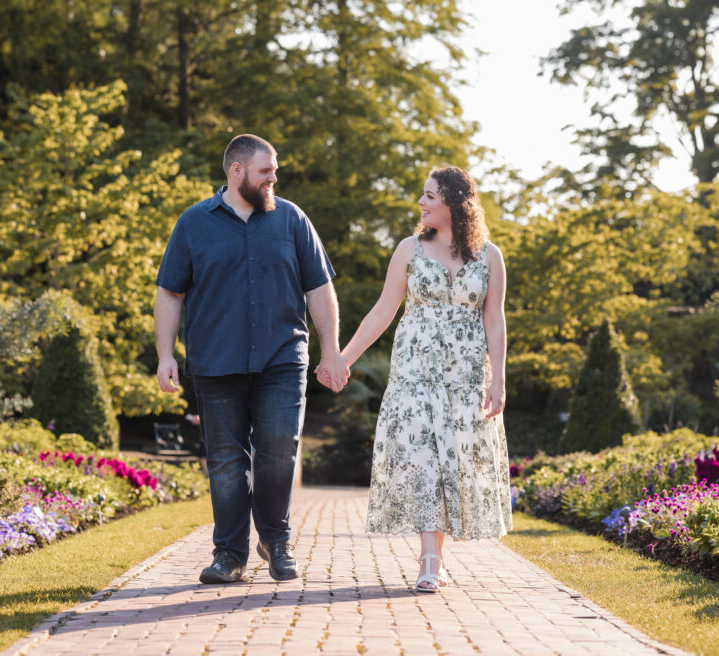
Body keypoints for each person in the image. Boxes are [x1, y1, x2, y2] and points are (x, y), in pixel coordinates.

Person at [155, 134, 350, 584]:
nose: (273, 179)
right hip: (214, 361)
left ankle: (276, 541)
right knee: (225, 460)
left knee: (279, 450)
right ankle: (229, 556)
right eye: (266, 171)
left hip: (282, 357)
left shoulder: (291, 219)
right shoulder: (193, 224)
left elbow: (319, 289)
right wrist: (166, 354)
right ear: (236, 171)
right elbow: (170, 292)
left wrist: (331, 349)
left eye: (274, 171)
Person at [317, 166, 512, 592]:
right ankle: (429, 558)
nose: (421, 203)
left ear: (455, 204)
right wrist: (342, 358)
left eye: (429, 196)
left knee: (450, 465)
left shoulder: (489, 256)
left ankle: (435, 557)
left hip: (464, 378)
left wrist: (498, 380)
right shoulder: (410, 249)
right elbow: (383, 310)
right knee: (424, 459)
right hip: (415, 375)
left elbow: (494, 321)